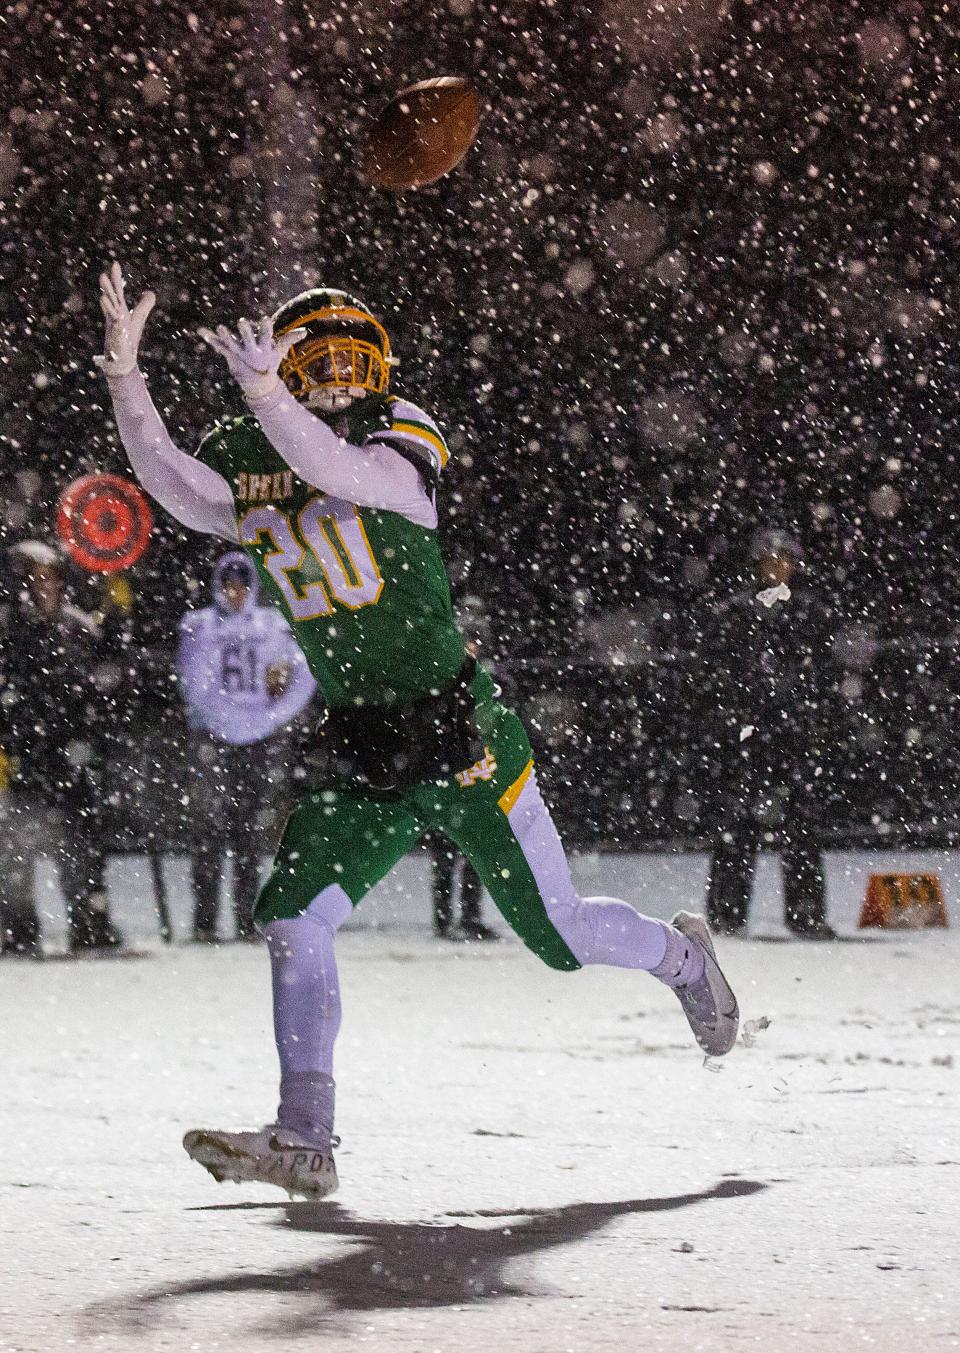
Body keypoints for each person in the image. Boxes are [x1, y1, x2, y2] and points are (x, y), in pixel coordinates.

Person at [96, 261, 740, 1200]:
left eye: (359, 361)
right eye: (325, 360)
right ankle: (305, 1136)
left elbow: (337, 469)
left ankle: (685, 958)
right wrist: (127, 383)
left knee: (557, 934)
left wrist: (273, 396)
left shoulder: (400, 433)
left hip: (457, 725)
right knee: (292, 916)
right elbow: (183, 492)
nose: (347, 378)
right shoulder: (257, 443)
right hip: (360, 737)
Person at [702, 530, 836, 940]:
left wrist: (811, 715)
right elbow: (719, 673)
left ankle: (806, 914)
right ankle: (727, 913)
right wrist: (736, 715)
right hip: (748, 732)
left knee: (801, 826)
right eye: (771, 559)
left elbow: (822, 674)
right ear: (757, 564)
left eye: (785, 560)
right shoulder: (735, 613)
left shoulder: (811, 614)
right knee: (737, 825)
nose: (778, 567)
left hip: (793, 732)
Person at [177, 550, 316, 940]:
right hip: (214, 737)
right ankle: (205, 922)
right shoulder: (199, 625)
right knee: (208, 831)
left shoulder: (274, 626)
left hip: (255, 739)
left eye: (242, 584)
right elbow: (194, 681)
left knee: (248, 833)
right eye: (228, 584)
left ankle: (245, 919)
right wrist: (233, 717)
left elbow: (302, 677)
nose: (235, 593)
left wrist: (268, 718)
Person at [0, 540, 123, 955]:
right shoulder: (10, 630)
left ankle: (90, 923)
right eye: (37, 579)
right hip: (25, 754)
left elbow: (108, 682)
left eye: (51, 578)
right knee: (17, 849)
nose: (45, 587)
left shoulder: (78, 627)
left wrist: (120, 613)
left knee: (82, 845)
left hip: (73, 754)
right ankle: (18, 929)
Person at [424, 831, 498, 941]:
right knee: (461, 866)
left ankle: (451, 921)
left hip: (447, 824)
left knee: (452, 867)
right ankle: (459, 920)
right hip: (456, 824)